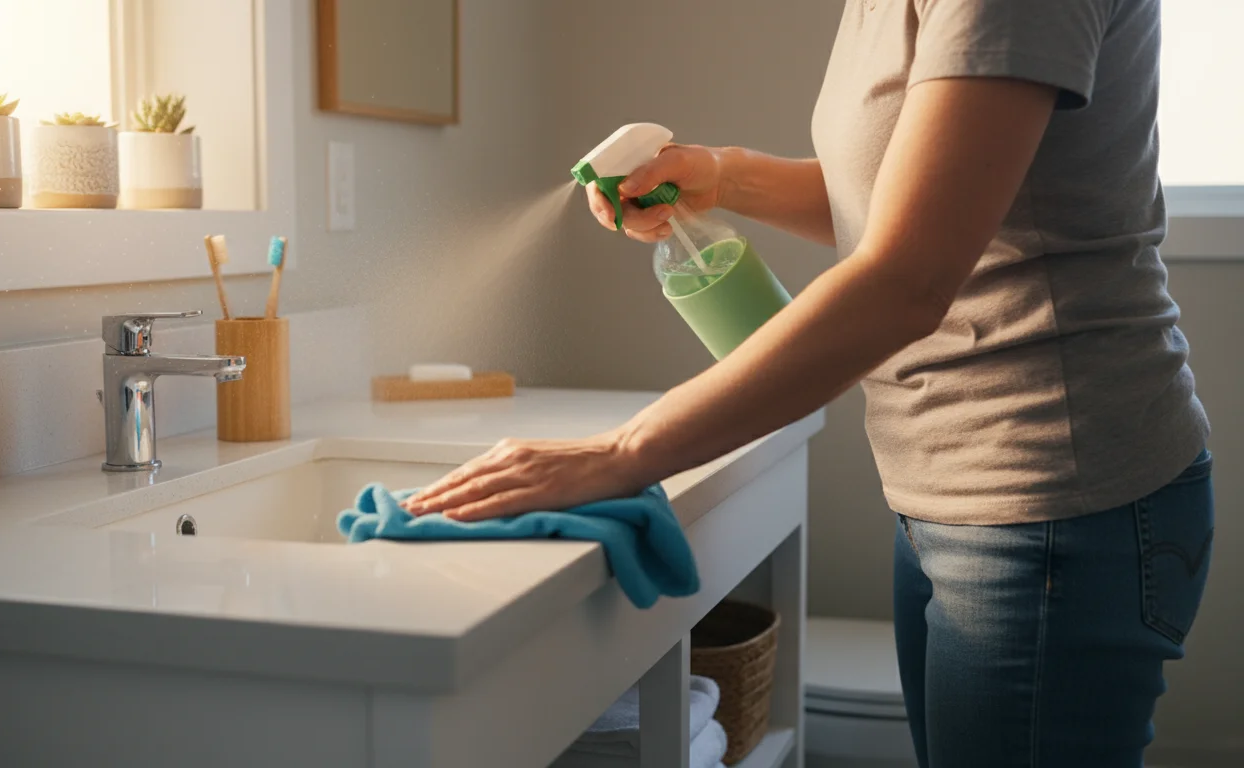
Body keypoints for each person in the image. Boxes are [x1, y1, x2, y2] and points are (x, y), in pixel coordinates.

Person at [405, 1, 1214, 765]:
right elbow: (903, 202)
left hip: (1058, 498)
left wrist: (623, 452)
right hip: (948, 493)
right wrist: (720, 176)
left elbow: (909, 276)